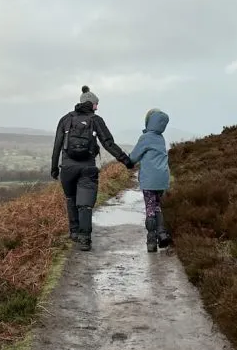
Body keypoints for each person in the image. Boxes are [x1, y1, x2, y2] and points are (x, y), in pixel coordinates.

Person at [51, 86, 133, 251]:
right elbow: (108, 143)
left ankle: (74, 232)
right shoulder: (96, 120)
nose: (97, 107)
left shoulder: (65, 119)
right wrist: (126, 160)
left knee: (71, 199)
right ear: (90, 103)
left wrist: (54, 168)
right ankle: (85, 239)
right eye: (96, 104)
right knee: (85, 204)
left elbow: (57, 145)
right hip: (87, 167)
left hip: (67, 168)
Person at [128, 108, 173, 252]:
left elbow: (133, 157)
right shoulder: (161, 138)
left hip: (149, 180)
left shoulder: (145, 138)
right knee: (157, 205)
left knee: (150, 208)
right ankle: (162, 233)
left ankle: (151, 241)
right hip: (162, 179)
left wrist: (127, 160)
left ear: (149, 122)